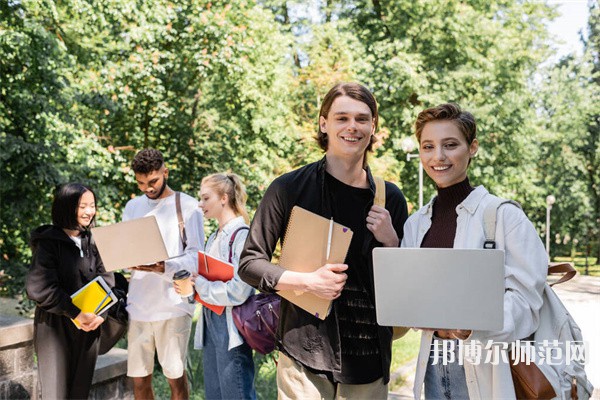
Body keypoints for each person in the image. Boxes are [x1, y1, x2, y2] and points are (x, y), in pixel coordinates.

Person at [239, 82, 409, 399]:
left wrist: (393, 244)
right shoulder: (289, 189)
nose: (352, 127)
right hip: (304, 355)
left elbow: (405, 287)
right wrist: (306, 282)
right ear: (324, 123)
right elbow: (250, 263)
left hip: (368, 360)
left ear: (373, 127)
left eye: (362, 119)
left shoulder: (391, 200)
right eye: (342, 117)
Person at [402, 103, 548, 399]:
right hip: (433, 361)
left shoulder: (503, 216)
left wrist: (473, 325)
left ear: (473, 148)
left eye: (450, 144)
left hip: (487, 366)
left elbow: (528, 303)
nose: (438, 156)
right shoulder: (415, 224)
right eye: (428, 146)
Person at [123, 148, 205, 400]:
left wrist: (163, 267)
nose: (147, 188)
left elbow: (197, 256)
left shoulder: (189, 206)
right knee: (139, 380)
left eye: (153, 181)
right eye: (140, 183)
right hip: (138, 306)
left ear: (165, 172)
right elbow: (125, 248)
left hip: (173, 306)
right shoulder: (133, 206)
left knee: (175, 379)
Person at [26, 182, 115, 399]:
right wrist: (75, 313)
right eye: (82, 206)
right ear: (66, 207)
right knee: (55, 393)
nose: (89, 211)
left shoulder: (94, 240)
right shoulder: (48, 243)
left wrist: (100, 315)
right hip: (55, 327)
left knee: (80, 392)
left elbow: (108, 279)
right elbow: (39, 287)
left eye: (92, 205)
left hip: (90, 326)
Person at [174, 172, 257, 400]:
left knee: (236, 394)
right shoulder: (213, 238)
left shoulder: (242, 236)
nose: (200, 205)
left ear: (224, 198)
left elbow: (240, 290)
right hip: (211, 324)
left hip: (231, 328)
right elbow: (205, 286)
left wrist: (199, 284)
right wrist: (189, 289)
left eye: (205, 198)